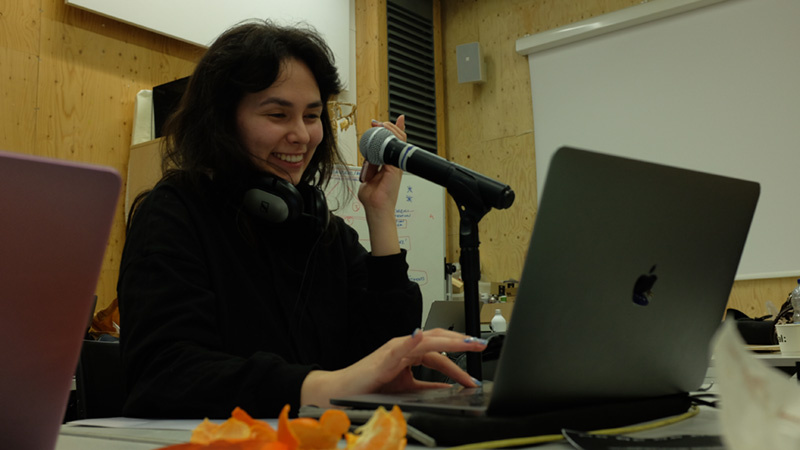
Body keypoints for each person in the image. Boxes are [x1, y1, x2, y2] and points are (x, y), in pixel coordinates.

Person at [118, 19, 486, 419]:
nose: (302, 135)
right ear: (222, 121)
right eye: (278, 114)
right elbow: (165, 372)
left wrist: (381, 215)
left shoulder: (323, 231)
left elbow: (386, 359)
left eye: (312, 116)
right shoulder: (173, 215)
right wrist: (320, 387)